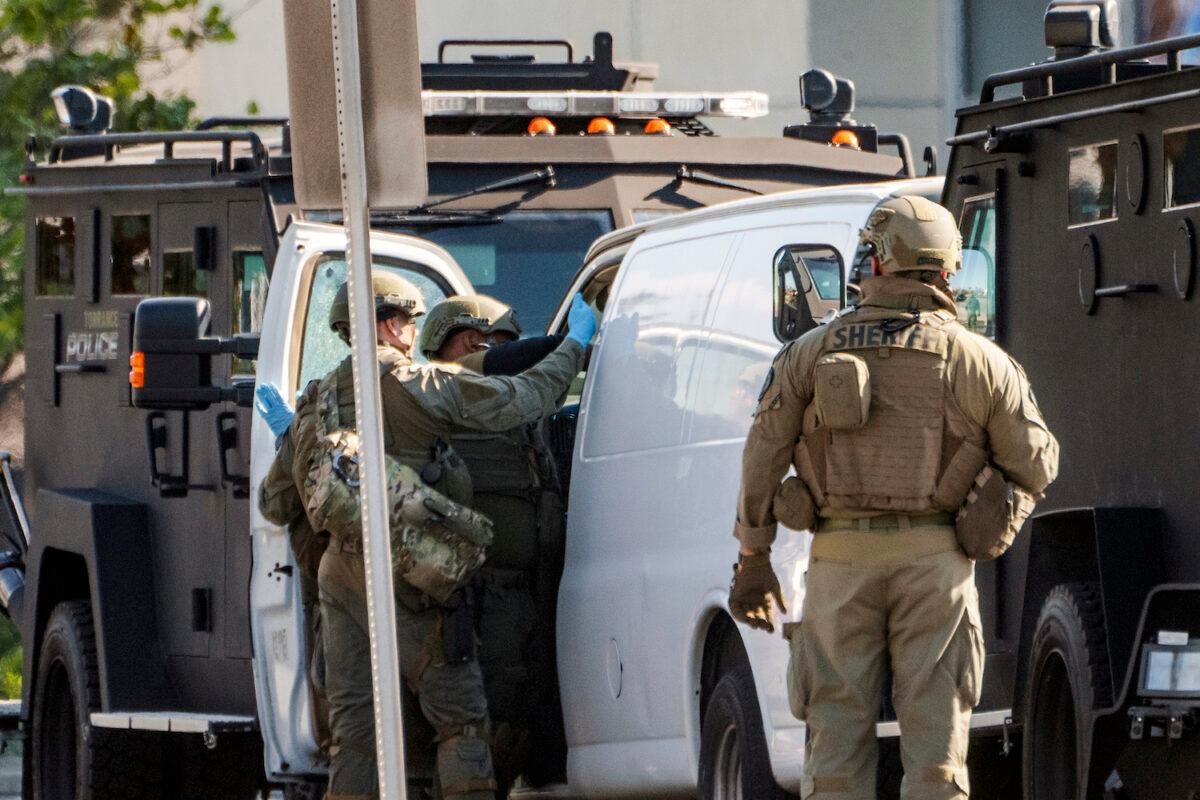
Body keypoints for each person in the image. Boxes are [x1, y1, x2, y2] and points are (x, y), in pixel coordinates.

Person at [728, 196, 1059, 800]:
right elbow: (1036, 462)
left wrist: (754, 559)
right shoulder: (979, 360)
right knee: (936, 763)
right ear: (947, 271)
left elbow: (762, 455)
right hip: (936, 567)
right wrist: (993, 516)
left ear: (877, 262)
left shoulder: (808, 353)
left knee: (833, 756)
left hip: (838, 563)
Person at [258, 272, 596, 800]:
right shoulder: (421, 385)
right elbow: (526, 397)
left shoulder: (316, 400)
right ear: (393, 325)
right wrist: (574, 343)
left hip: (341, 582)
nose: (413, 333)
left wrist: (293, 438)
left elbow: (274, 503)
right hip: (414, 577)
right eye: (410, 322)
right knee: (461, 726)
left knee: (355, 740)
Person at [418, 295, 570, 793]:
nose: (493, 353)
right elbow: (512, 363)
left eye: (501, 344)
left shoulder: (508, 406)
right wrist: (573, 341)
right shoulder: (439, 390)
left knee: (519, 708)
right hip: (478, 591)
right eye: (479, 341)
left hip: (524, 589)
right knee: (484, 718)